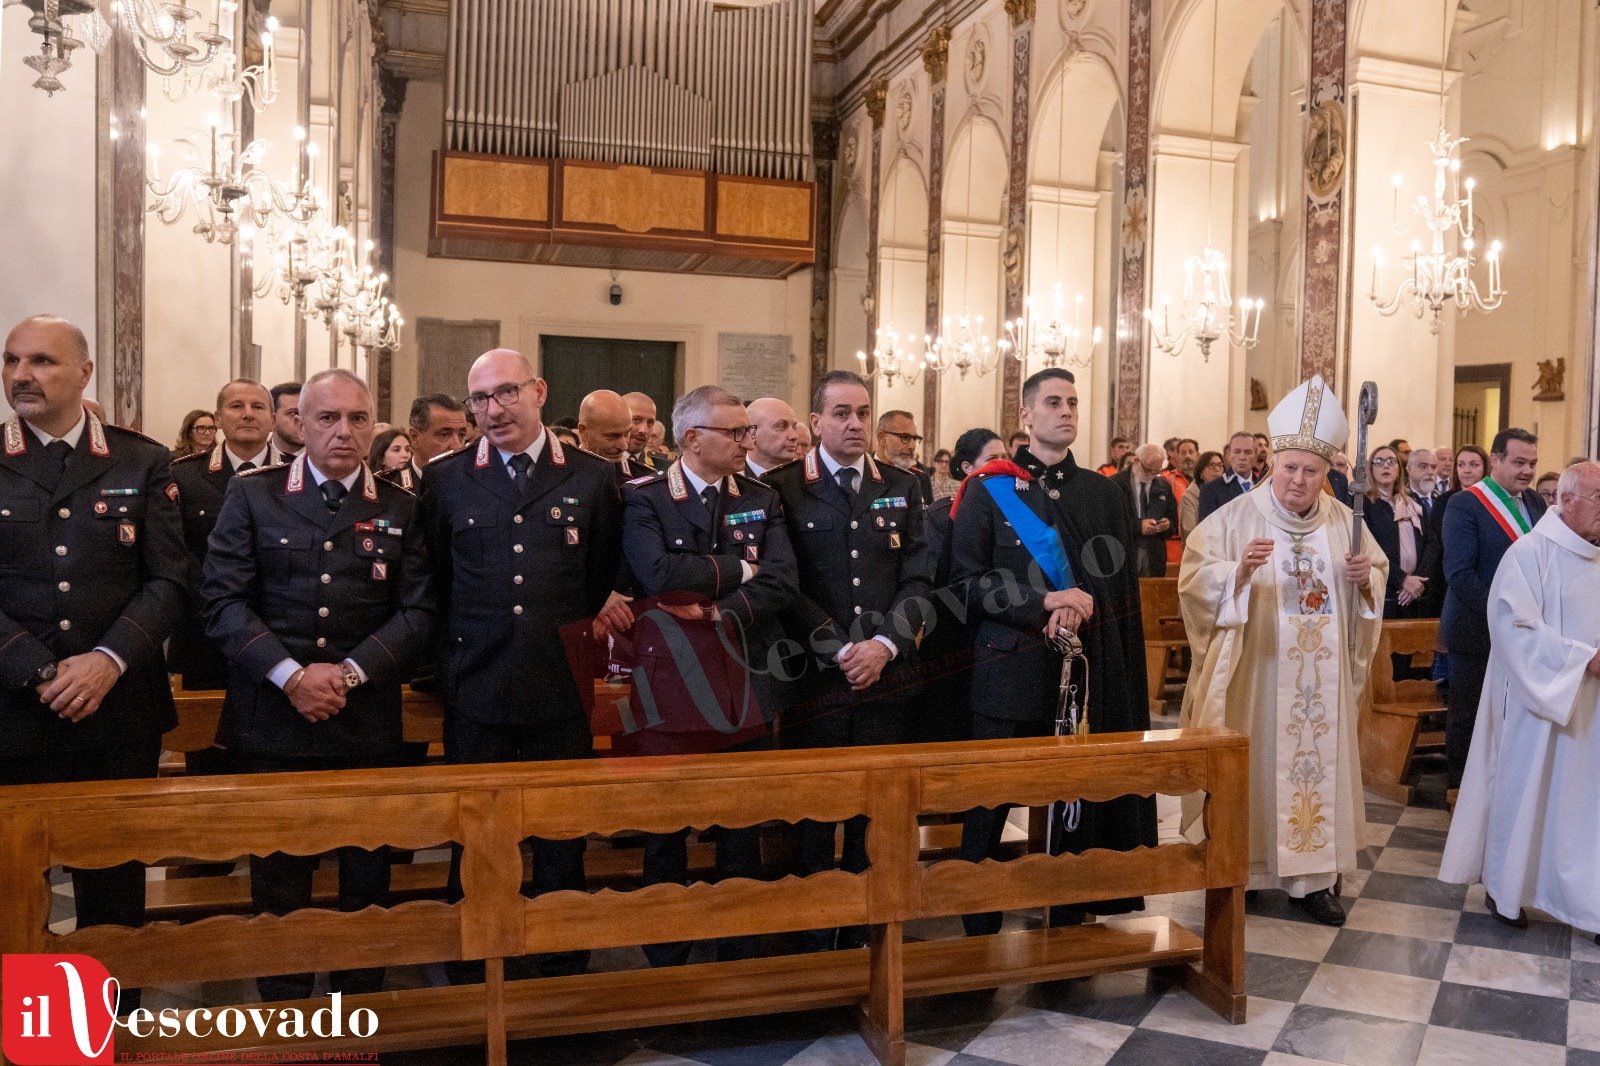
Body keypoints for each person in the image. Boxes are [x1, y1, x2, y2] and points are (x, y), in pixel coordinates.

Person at [201, 368, 434, 1001]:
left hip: (364, 717)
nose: (344, 431)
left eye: (358, 418)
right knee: (280, 880)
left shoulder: (402, 505)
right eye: (327, 418)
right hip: (273, 716)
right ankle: (287, 1007)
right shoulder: (254, 495)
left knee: (366, 877)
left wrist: (350, 674)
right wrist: (292, 675)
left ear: (373, 425)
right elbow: (222, 601)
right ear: (299, 425)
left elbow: (419, 610)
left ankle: (360, 1003)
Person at [0, 315, 186, 1008]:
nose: (22, 375)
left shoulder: (140, 460)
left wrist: (108, 660)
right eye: (12, 361)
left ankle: (113, 1025)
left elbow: (169, 580)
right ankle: (35, 1034)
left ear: (84, 373)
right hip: (17, 711)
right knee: (18, 891)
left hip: (119, 712)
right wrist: (41, 671)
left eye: (42, 361)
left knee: (114, 885)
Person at [417, 349, 622, 979]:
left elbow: (601, 577)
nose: (492, 410)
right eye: (479, 399)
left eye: (506, 393)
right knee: (474, 836)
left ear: (538, 390)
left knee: (561, 834)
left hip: (559, 685)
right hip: (475, 685)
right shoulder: (447, 478)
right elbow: (436, 580)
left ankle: (562, 962)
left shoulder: (591, 477)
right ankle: (472, 961)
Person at [951, 367, 1157, 935]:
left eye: (1072, 402)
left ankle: (1066, 919)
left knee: (1076, 803)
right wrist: (1045, 601)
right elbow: (967, 583)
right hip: (1008, 671)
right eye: (1052, 402)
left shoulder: (1101, 492)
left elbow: (1114, 586)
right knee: (988, 805)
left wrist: (1079, 601)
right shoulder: (989, 489)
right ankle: (975, 924)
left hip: (1082, 678)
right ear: (1026, 416)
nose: (1065, 411)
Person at [1179, 375, 1386, 926]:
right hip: (1258, 671)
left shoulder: (1347, 523)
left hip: (1322, 683)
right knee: (1252, 766)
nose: (1298, 480)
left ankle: (1314, 882)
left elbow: (1376, 582)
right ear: (1274, 464)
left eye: (1311, 471)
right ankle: (1240, 867)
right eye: (1290, 468)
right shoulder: (1233, 519)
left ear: (1327, 474)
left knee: (1317, 768)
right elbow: (1193, 580)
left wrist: (1367, 580)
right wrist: (1236, 573)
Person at [618, 385, 797, 966]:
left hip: (742, 673)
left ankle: (737, 945)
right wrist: (740, 566)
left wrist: (721, 607)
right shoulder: (646, 497)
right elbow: (657, 572)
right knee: (666, 823)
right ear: (693, 439)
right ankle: (666, 949)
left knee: (740, 820)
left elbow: (780, 582)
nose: (748, 441)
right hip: (670, 679)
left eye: (749, 431)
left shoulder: (762, 498)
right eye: (736, 433)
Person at [762, 370, 932, 951]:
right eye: (840, 413)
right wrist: (839, 649)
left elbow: (920, 578)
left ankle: (869, 928)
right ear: (816, 423)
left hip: (887, 674)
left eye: (862, 412)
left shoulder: (904, 486)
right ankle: (814, 926)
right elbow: (784, 585)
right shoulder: (785, 488)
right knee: (817, 810)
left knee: (877, 814)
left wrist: (885, 645)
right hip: (816, 677)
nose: (854, 423)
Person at [1440, 462, 1600, 934]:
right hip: (1540, 706)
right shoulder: (1530, 554)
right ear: (1567, 501)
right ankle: (1507, 889)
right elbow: (1512, 626)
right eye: (1598, 495)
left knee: (1584, 806)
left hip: (1590, 708)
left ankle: (1585, 900)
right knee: (1531, 792)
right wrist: (1581, 661)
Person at [1441, 428, 1547, 790]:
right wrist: (1506, 611)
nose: (1527, 471)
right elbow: (1459, 572)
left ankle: (1506, 789)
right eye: (1519, 462)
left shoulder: (1534, 502)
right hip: (1476, 629)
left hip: (1523, 630)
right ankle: (1460, 792)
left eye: (1532, 463)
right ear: (1496, 460)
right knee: (1469, 716)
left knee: (1513, 714)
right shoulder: (1465, 504)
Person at [169, 379, 285, 691]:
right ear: (218, 418)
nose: (248, 414)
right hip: (204, 632)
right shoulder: (183, 476)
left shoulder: (297, 476)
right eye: (237, 406)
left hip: (280, 635)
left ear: (273, 420)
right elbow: (174, 555)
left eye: (258, 407)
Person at [917, 427, 1005, 743]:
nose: (1002, 466)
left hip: (997, 628)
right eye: (992, 459)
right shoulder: (942, 514)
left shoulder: (1015, 512)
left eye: (1005, 458)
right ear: (968, 468)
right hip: (953, 631)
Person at [1360, 446, 1432, 619]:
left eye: (1391, 461)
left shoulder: (1412, 503)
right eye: (1379, 462)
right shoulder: (1363, 505)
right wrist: (1402, 580)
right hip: (1386, 593)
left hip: (1416, 592)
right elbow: (1368, 549)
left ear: (1399, 470)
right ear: (1371, 469)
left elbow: (1431, 543)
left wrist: (1417, 580)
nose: (1386, 466)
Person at [1113, 443, 1177, 576]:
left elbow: (1174, 521)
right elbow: (1108, 521)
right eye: (1148, 469)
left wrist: (1167, 525)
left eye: (1157, 470)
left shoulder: (1163, 485)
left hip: (1154, 556)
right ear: (1136, 461)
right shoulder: (1115, 484)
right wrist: (1138, 527)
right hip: (1123, 554)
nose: (1153, 474)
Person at [874, 409, 934, 504]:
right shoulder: (863, 472)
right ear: (882, 438)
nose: (912, 446)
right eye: (905, 437)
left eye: (914, 439)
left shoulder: (921, 479)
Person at [406, 393, 470, 479]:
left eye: (461, 435)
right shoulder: (387, 489)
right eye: (444, 435)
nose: (457, 446)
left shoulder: (475, 487)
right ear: (414, 437)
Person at [1198, 432, 1257, 522]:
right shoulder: (1210, 490)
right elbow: (1208, 531)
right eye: (1237, 452)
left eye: (1248, 452)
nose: (1242, 457)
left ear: (1256, 455)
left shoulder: (1265, 485)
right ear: (1229, 455)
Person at [743, 396, 802, 480]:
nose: (794, 436)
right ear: (752, 432)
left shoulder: (809, 482)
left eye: (794, 427)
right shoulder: (728, 480)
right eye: (781, 426)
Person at [1180, 450, 1223, 541]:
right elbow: (1189, 532)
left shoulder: (1225, 493)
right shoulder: (1190, 496)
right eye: (1211, 465)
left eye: (1220, 465)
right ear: (1201, 472)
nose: (1217, 469)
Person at [623, 391, 672, 470]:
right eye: (636, 420)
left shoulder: (667, 469)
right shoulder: (600, 466)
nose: (644, 430)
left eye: (650, 422)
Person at [269, 382, 304, 458]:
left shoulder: (326, 459)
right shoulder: (255, 458)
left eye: (307, 413)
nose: (302, 420)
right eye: (293, 413)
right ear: (273, 419)